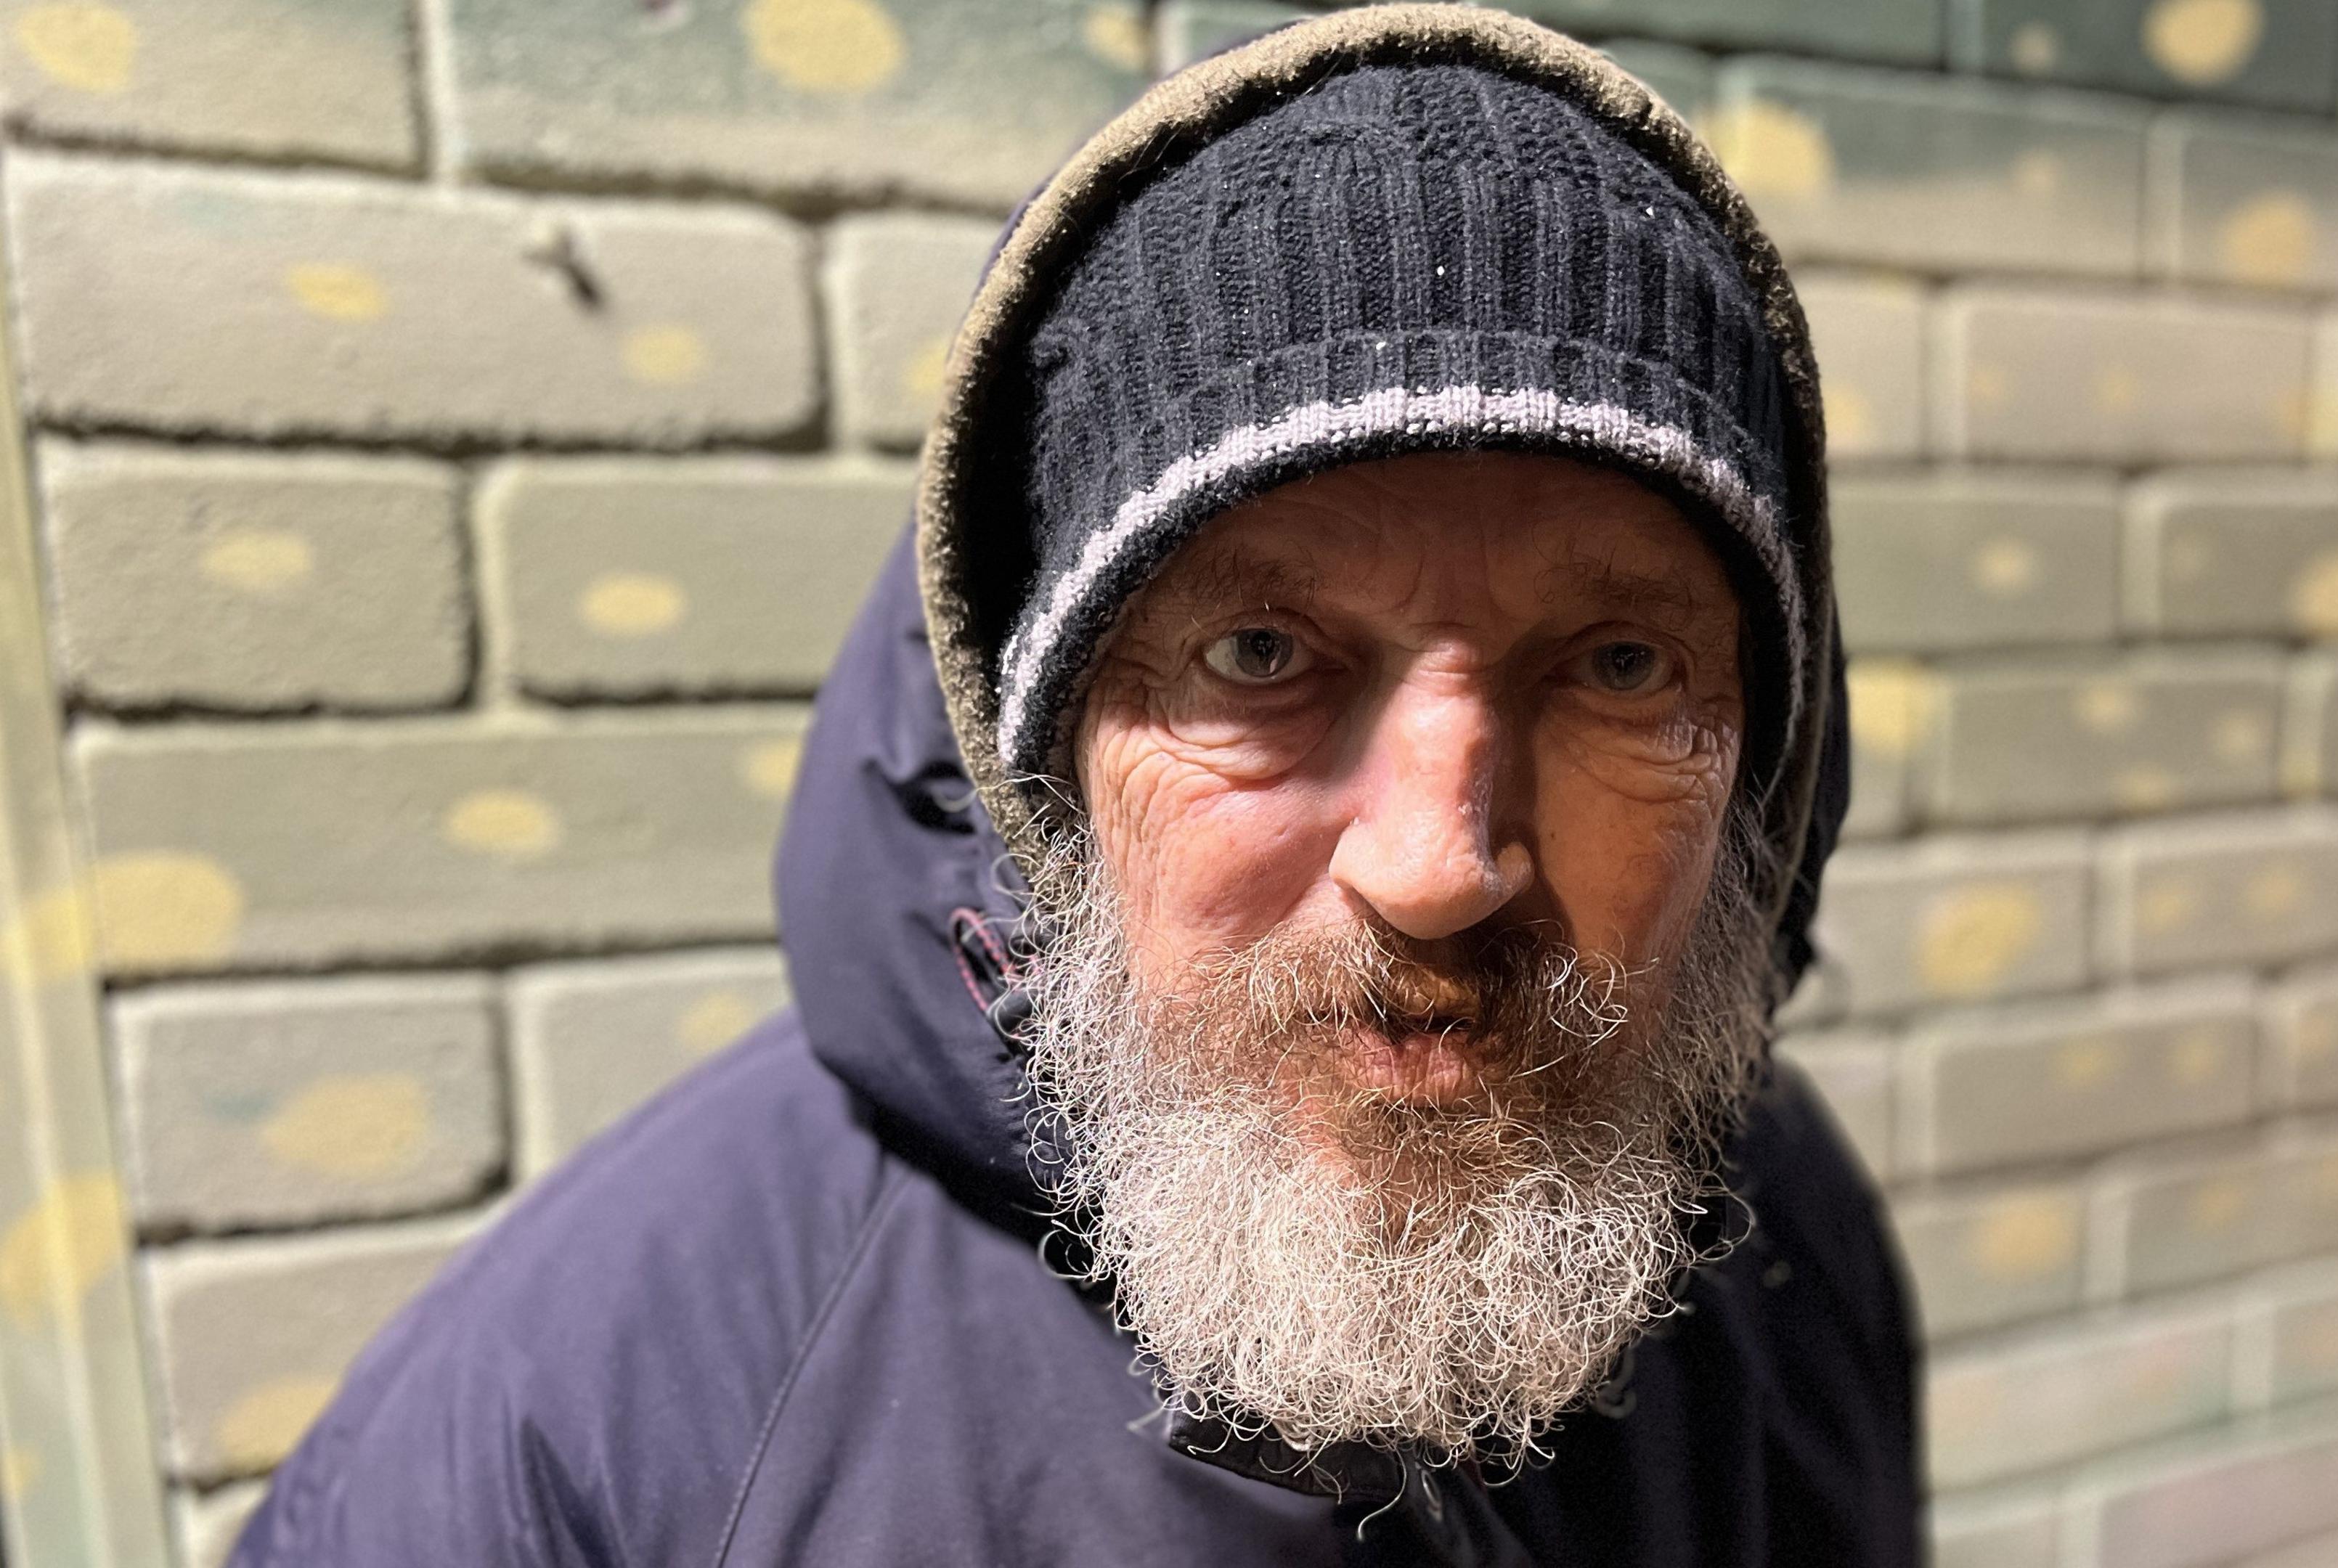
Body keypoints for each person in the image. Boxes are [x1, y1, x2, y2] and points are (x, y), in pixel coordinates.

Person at [232, 7, 1920, 1564]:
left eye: (1623, 668)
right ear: (1034, 765)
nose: (1438, 864)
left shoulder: (1782, 1229)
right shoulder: (597, 1440)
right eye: (1259, 657)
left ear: (1759, 757)